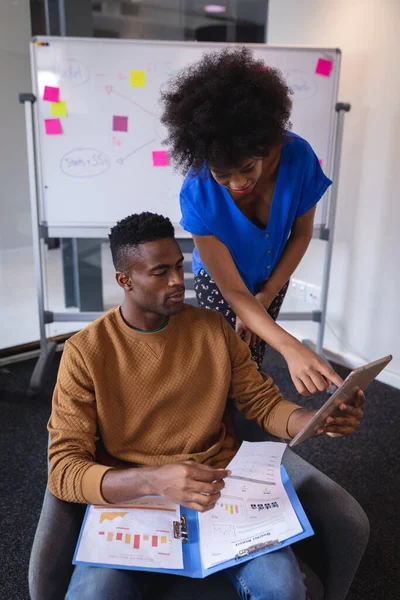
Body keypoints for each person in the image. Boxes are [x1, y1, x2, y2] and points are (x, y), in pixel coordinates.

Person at [47, 212, 364, 600]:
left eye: (179, 267)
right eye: (160, 272)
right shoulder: (86, 352)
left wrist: (315, 420)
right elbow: (63, 470)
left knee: (283, 588)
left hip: (219, 494)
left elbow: (261, 403)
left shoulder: (213, 329)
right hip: (137, 501)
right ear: (125, 281)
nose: (178, 280)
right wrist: (153, 479)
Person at [160, 46, 342, 396]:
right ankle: (213, 438)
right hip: (221, 281)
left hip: (271, 275)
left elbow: (301, 236)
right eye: (223, 176)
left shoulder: (298, 158)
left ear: (264, 143)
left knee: (251, 361)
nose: (239, 184)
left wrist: (268, 293)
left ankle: (245, 440)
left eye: (247, 168)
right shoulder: (197, 194)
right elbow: (231, 289)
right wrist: (290, 347)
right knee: (222, 364)